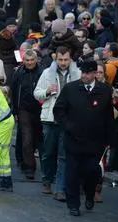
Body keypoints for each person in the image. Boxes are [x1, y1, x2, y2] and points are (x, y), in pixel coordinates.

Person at [53, 60, 114, 217]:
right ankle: (73, 204)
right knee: (72, 173)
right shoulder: (71, 88)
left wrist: (109, 139)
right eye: (83, 73)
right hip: (74, 140)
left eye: (88, 73)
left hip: (95, 142)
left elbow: (108, 116)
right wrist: (68, 126)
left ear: (95, 74)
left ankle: (89, 194)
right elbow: (59, 110)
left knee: (91, 172)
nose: (85, 76)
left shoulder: (105, 91)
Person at [34, 46, 81, 199]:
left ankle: (60, 189)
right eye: (60, 60)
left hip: (68, 120)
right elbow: (37, 93)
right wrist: (47, 92)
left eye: (66, 59)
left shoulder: (77, 74)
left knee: (63, 155)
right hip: (49, 118)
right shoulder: (47, 73)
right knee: (48, 153)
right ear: (56, 59)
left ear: (70, 59)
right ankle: (46, 180)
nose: (63, 63)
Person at [11, 49, 43, 180]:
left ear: (36, 60)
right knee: (27, 138)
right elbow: (13, 91)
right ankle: (29, 166)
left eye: (31, 60)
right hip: (23, 108)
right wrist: (15, 110)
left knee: (40, 139)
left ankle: (47, 168)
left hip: (40, 108)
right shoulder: (19, 73)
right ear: (23, 60)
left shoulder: (42, 72)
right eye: (27, 60)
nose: (29, 63)